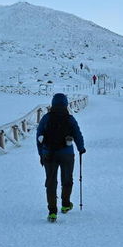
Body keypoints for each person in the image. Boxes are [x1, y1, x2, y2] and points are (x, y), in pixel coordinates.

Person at [36, 93, 86, 222]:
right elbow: (77, 134)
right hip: (67, 153)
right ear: (65, 104)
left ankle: (52, 212)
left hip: (49, 154)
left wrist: (41, 153)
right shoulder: (69, 119)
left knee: (51, 182)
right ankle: (65, 205)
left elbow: (39, 136)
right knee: (67, 179)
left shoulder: (46, 118)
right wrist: (81, 148)